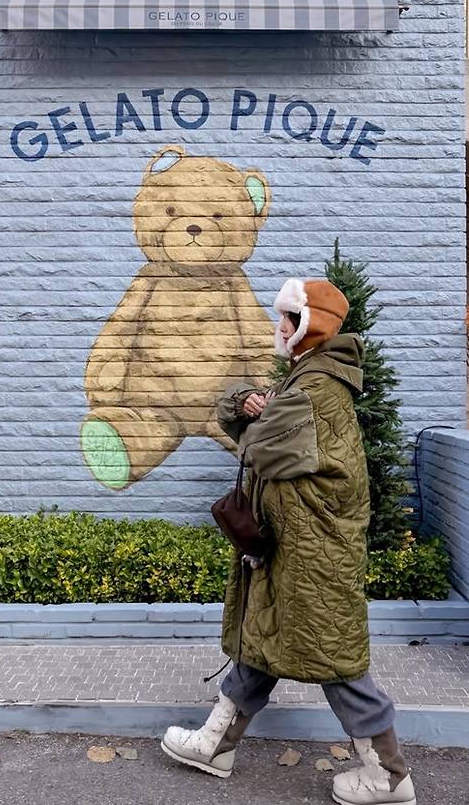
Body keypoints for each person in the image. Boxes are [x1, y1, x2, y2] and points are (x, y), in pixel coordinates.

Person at [161, 278, 416, 805]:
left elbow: (260, 451)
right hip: (296, 545)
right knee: (262, 640)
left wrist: (255, 413)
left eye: (288, 318)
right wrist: (248, 403)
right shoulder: (308, 378)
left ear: (310, 327)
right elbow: (252, 427)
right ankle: (215, 745)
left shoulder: (316, 388)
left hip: (313, 551)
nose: (278, 327)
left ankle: (389, 776)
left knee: (335, 660)